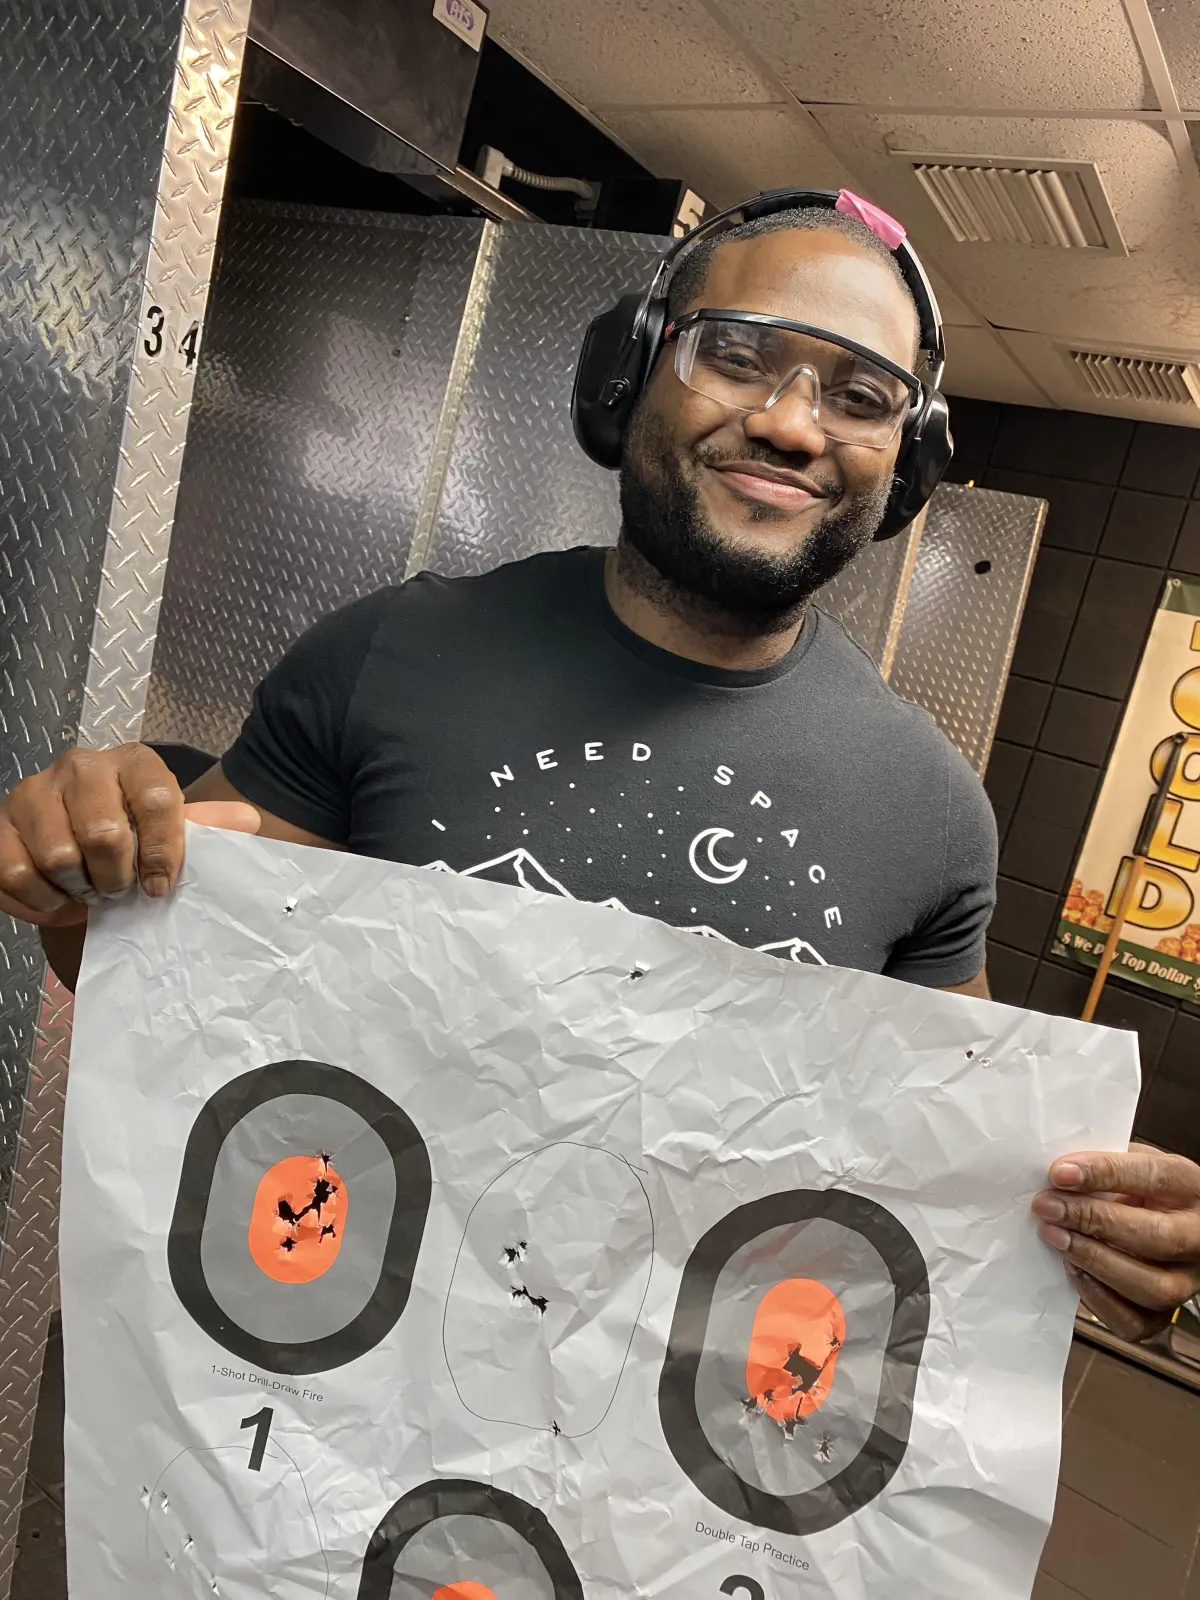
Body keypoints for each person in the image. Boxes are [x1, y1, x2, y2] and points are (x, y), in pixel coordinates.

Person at [2, 192, 1199, 1346]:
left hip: (655, 1476)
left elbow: (958, 1175)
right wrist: (80, 868)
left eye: (861, 394)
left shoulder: (933, 814)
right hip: (332, 1372)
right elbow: (150, 968)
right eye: (737, 354)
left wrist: (1097, 1250)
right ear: (626, 380)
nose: (791, 422)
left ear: (907, 463)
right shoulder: (392, 653)